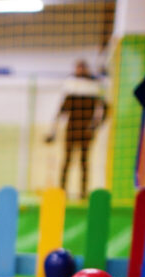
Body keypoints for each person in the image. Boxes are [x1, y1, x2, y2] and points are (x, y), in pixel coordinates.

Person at [45, 59, 108, 196]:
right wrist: (52, 132)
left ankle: (83, 193)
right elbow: (60, 112)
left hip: (86, 131)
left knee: (84, 162)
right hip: (71, 130)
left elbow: (105, 109)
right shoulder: (71, 88)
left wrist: (95, 126)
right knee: (67, 160)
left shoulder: (93, 88)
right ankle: (62, 191)